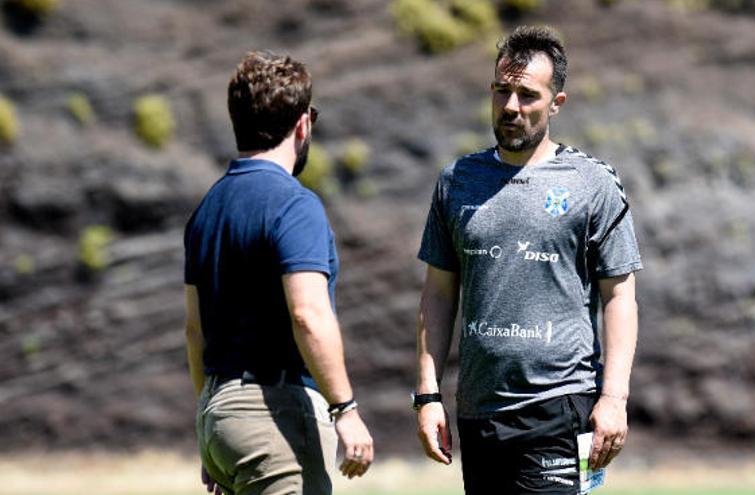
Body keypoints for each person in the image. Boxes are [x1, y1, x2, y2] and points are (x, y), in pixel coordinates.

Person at [414, 26, 642, 494]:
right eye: (502, 92)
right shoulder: (457, 181)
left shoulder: (592, 183)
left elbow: (619, 296)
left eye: (526, 95)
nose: (511, 107)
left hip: (559, 410)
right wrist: (427, 394)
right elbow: (438, 292)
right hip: (478, 413)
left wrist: (614, 397)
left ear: (556, 102)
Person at [184, 50, 373, 495]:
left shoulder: (207, 209)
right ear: (303, 125)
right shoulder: (294, 204)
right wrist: (345, 409)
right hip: (275, 415)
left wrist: (212, 426)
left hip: (220, 412)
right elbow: (309, 314)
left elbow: (196, 332)